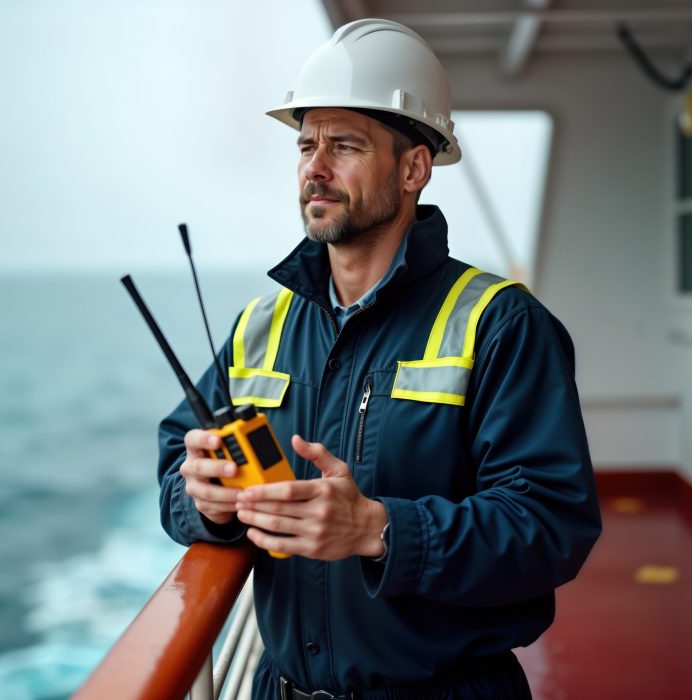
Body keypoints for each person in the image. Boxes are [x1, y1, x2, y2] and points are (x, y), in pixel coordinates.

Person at [158, 18, 601, 700]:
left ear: (414, 167)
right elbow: (173, 464)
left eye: (345, 144)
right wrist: (204, 502)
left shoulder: (502, 325)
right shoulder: (259, 325)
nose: (315, 165)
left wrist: (381, 530)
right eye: (306, 144)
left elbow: (550, 527)